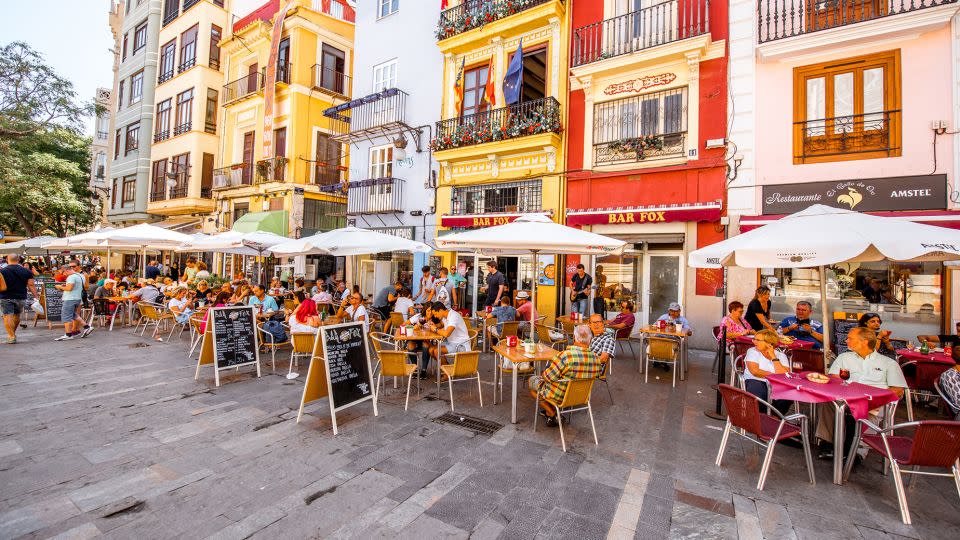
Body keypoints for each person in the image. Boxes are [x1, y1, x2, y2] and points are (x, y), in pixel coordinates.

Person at [816, 327, 906, 460]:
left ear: (864, 341)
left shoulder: (888, 363)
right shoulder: (844, 357)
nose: (846, 341)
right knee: (827, 403)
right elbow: (834, 378)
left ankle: (858, 452)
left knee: (864, 413)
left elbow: (898, 390)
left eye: (850, 338)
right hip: (846, 398)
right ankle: (829, 442)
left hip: (873, 403)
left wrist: (876, 399)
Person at [528, 324, 604, 427]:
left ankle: (551, 412)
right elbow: (598, 373)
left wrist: (544, 374)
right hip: (580, 397)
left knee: (532, 380)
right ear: (590, 340)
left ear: (575, 338)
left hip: (559, 396)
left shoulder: (565, 356)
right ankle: (552, 413)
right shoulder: (596, 359)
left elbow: (547, 377)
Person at [743, 329, 792, 416]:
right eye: (754, 339)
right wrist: (775, 376)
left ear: (769, 343)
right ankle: (762, 417)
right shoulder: (752, 351)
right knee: (758, 395)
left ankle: (775, 417)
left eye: (758, 340)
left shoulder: (781, 356)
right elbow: (755, 372)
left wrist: (773, 357)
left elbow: (785, 375)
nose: (754, 342)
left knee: (787, 396)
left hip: (775, 383)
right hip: (755, 380)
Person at [1, 254, 39, 344]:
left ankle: (11, 336)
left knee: (7, 315)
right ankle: (12, 334)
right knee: (16, 315)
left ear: (7, 259)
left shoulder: (2, 271)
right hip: (21, 296)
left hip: (6, 296)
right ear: (18, 260)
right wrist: (36, 297)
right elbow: (31, 285)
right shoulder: (26, 271)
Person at [426, 302, 472, 372]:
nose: (435, 316)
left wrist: (435, 329)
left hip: (461, 345)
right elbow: (442, 326)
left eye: (435, 314)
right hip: (451, 342)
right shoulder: (445, 317)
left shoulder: (454, 316)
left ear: (441, 310)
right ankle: (447, 367)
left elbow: (446, 334)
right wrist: (434, 325)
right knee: (431, 349)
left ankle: (446, 373)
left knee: (436, 351)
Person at [54, 263, 88, 341]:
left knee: (66, 316)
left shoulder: (71, 277)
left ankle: (68, 334)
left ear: (66, 270)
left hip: (70, 298)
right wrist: (65, 286)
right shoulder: (81, 276)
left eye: (63, 273)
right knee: (73, 314)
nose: (64, 275)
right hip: (78, 298)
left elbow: (69, 288)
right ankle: (87, 327)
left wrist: (59, 287)